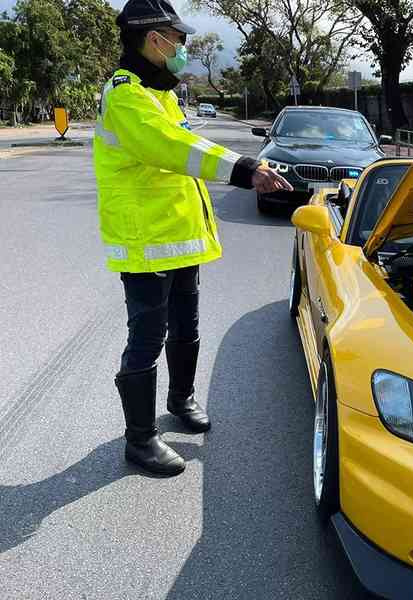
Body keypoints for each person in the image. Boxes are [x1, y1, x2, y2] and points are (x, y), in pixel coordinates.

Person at [94, 0, 292, 477]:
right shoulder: (125, 95)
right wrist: (243, 168)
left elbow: (184, 153)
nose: (182, 46)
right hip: (146, 244)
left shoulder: (159, 93)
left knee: (188, 326)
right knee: (146, 338)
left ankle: (181, 399)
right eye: (176, 38)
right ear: (152, 38)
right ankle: (139, 440)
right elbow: (172, 147)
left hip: (179, 239)